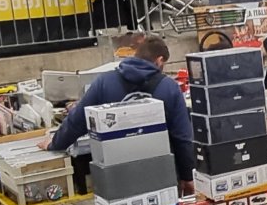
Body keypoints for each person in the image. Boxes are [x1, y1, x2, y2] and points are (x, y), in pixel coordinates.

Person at [40, 36, 194, 196]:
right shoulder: (169, 88)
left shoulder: (103, 82)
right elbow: (182, 138)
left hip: (116, 178)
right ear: (160, 60)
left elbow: (77, 121)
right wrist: (187, 176)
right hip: (160, 175)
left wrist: (55, 143)